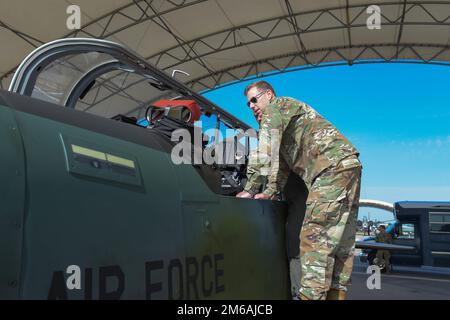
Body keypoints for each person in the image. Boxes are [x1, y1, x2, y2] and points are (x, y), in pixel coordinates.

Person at [236, 81, 362, 300]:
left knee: (314, 238)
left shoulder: (277, 107)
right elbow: (282, 167)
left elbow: (265, 150)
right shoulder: (285, 124)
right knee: (339, 242)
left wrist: (250, 188)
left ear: (269, 95)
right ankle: (336, 294)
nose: (252, 106)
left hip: (329, 168)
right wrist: (271, 191)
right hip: (347, 166)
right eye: (248, 104)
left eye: (254, 100)